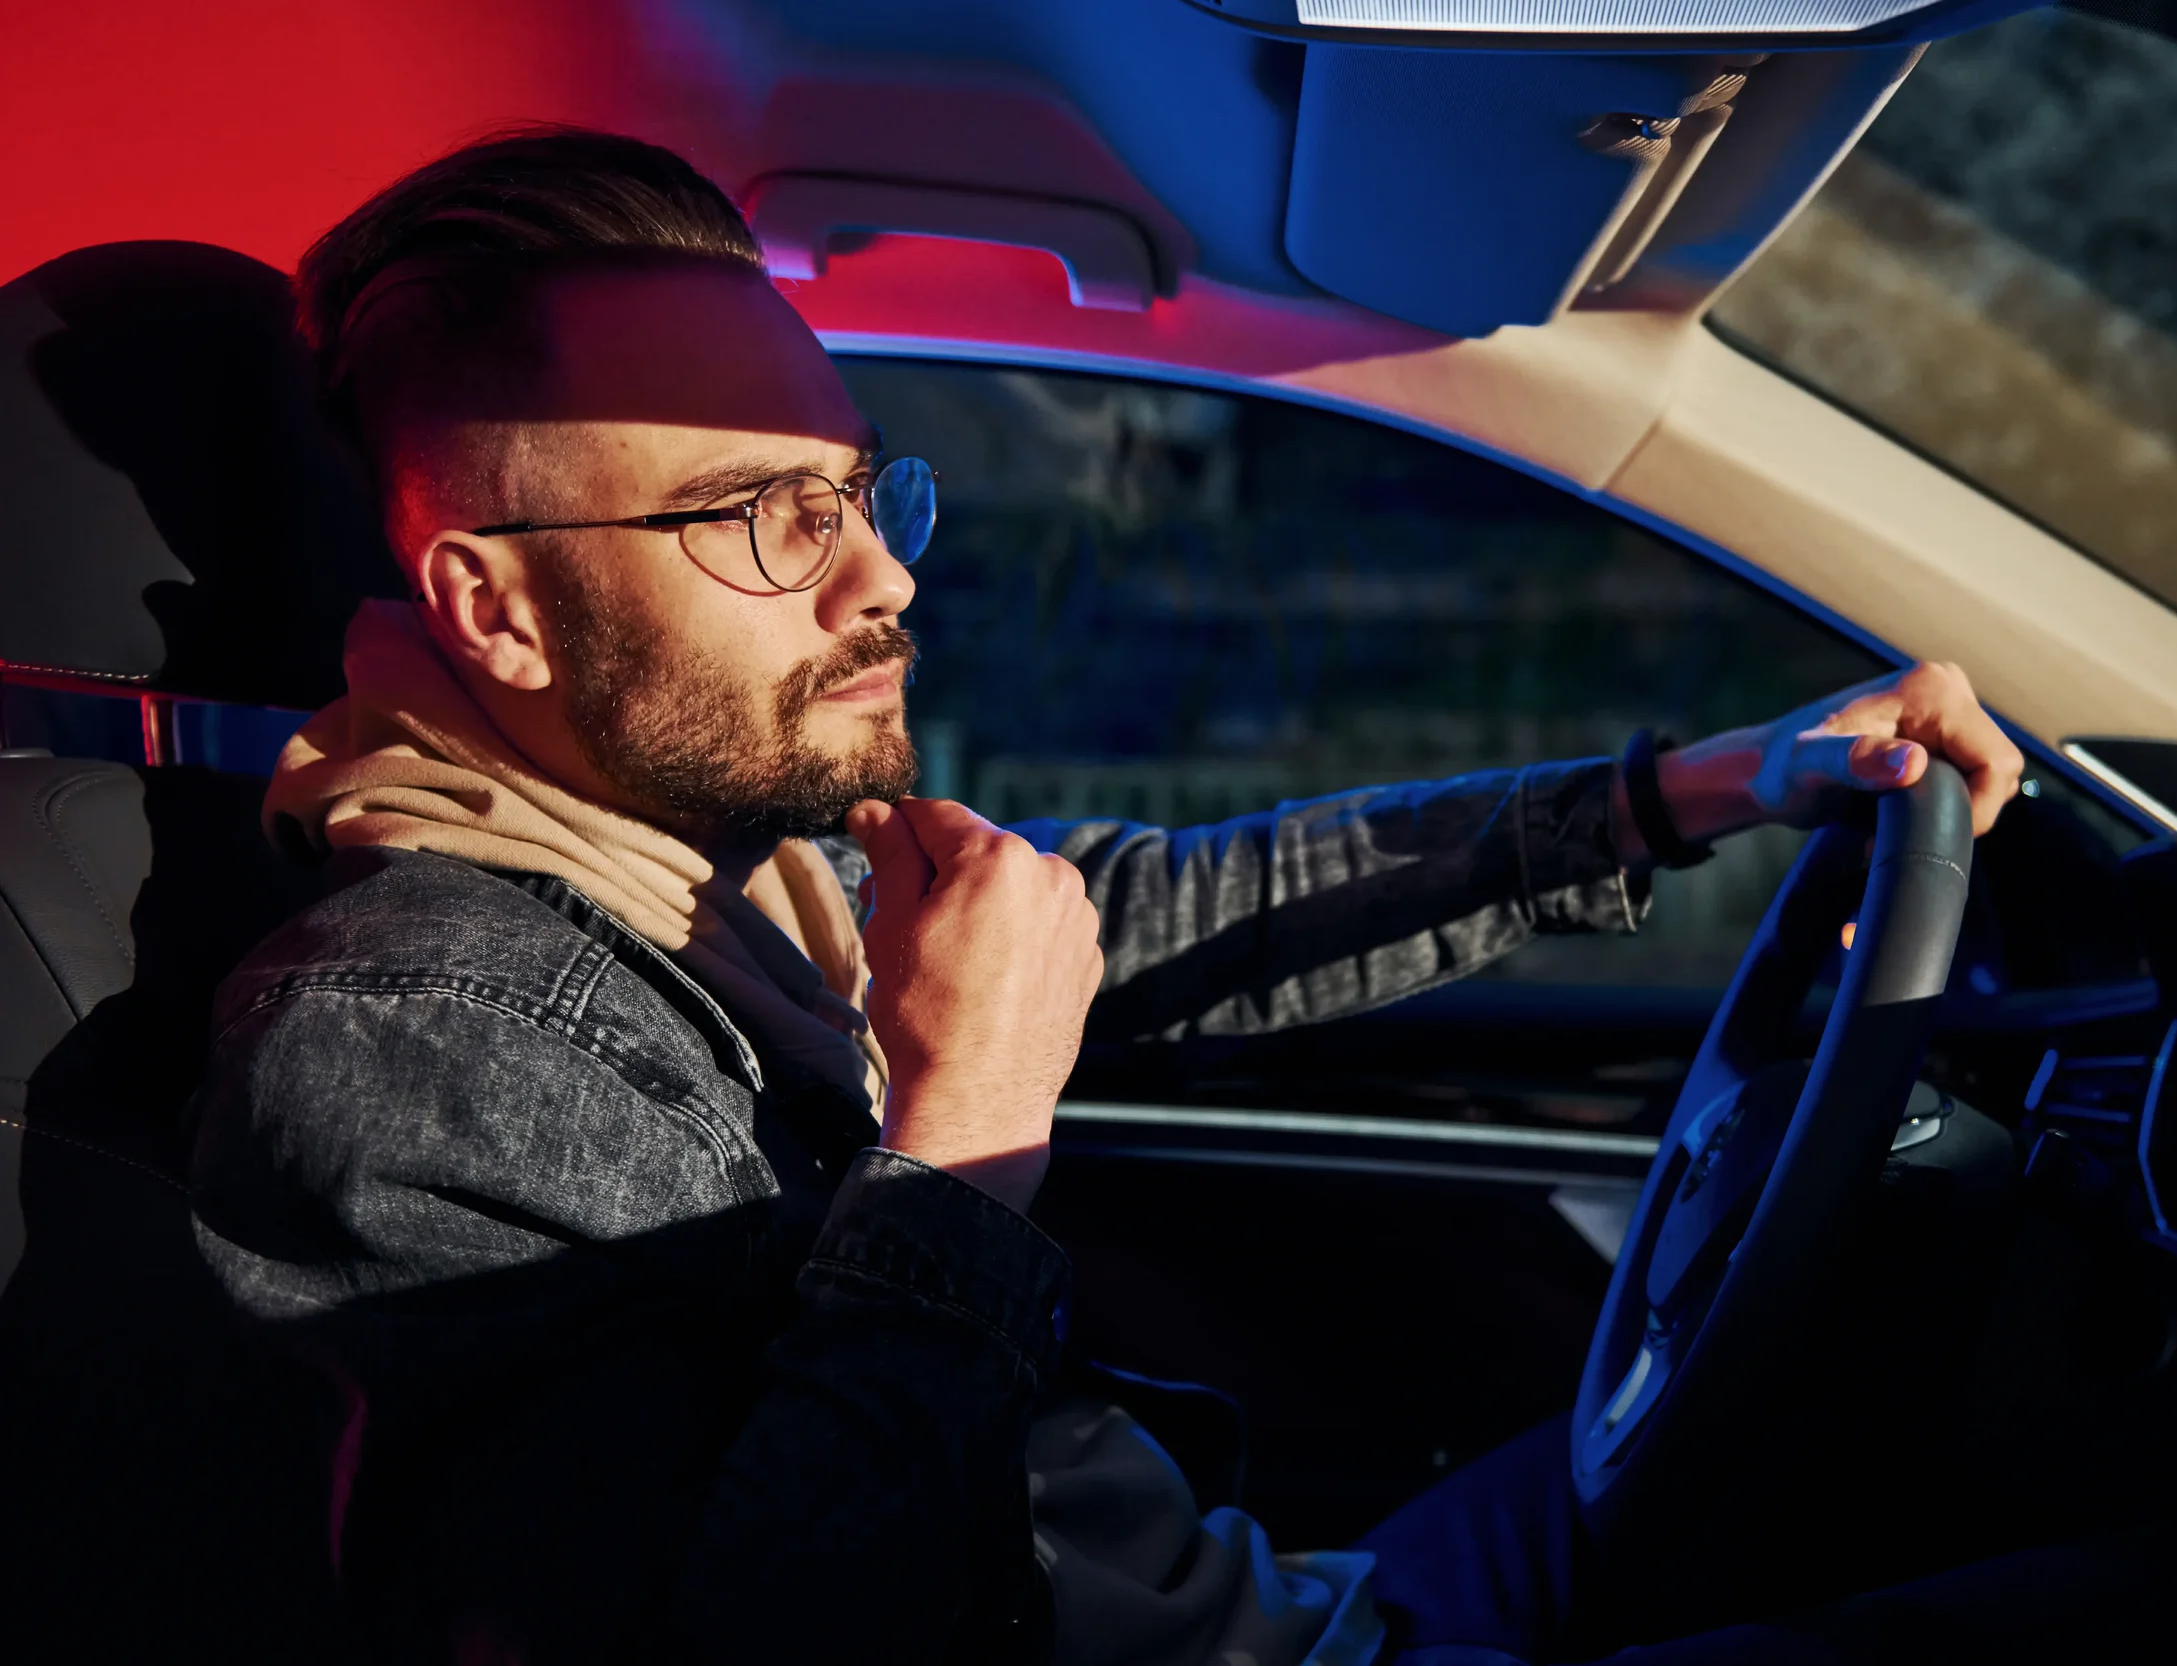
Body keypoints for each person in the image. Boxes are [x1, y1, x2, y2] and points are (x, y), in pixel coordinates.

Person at [186, 127, 2030, 1665]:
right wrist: (967, 1127)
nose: (880, 584)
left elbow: (1145, 915)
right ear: (494, 610)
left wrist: (1695, 790)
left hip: (1294, 1606)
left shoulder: (702, 865)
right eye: (764, 517)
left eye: (855, 493)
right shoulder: (424, 1036)